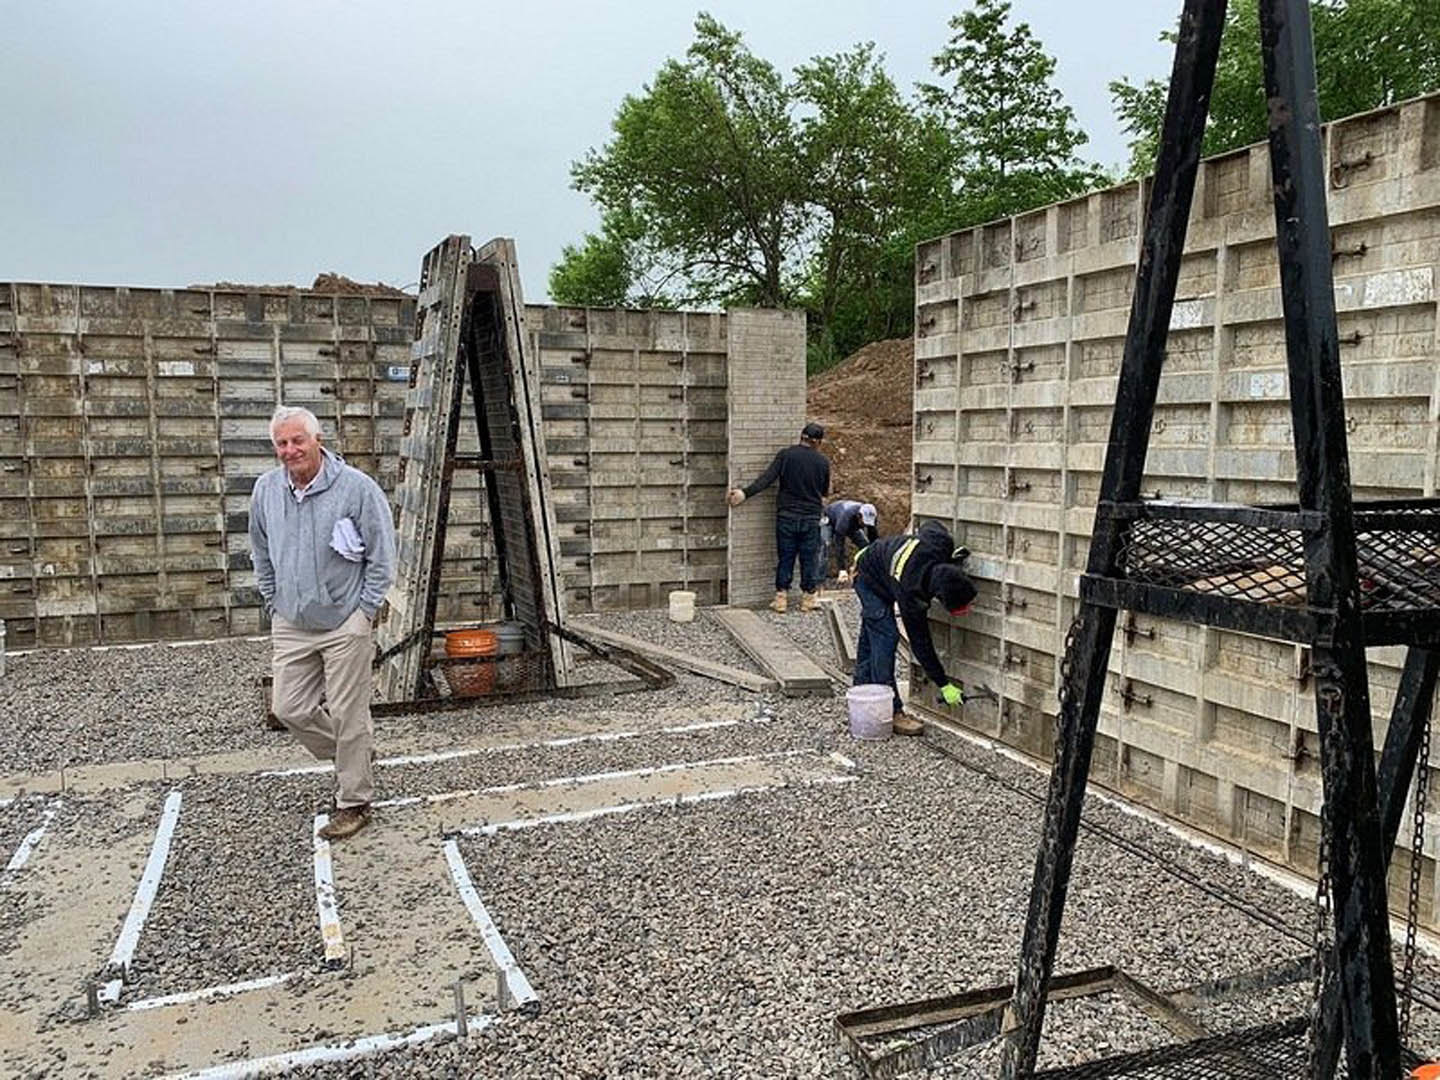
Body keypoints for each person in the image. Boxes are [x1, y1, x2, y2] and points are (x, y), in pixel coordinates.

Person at [249, 405, 396, 841]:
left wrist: (364, 611)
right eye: (282, 443)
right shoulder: (266, 490)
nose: (290, 450)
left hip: (344, 620)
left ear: (318, 441)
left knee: (350, 713)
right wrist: (273, 597)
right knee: (288, 708)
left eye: (298, 440)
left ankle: (354, 801)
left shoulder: (356, 490)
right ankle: (358, 759)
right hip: (292, 619)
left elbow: (382, 556)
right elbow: (259, 547)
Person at [852, 520, 976, 737]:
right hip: (867, 578)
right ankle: (891, 711)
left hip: (880, 563)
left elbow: (930, 524)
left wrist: (950, 558)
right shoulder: (911, 595)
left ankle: (861, 692)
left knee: (871, 631)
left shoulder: (939, 543)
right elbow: (921, 644)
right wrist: (943, 683)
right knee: (886, 636)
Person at [728, 421, 831, 613]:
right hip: (810, 518)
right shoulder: (823, 462)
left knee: (786, 557)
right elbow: (824, 493)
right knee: (809, 559)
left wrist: (744, 493)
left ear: (802, 437)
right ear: (818, 442)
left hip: (786, 517)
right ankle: (808, 599)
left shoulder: (786, 455)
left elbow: (767, 479)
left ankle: (781, 599)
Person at [822, 499, 878, 582]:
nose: (865, 525)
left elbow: (873, 539)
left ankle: (867, 571)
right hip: (830, 519)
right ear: (859, 516)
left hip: (851, 525)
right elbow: (839, 544)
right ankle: (819, 579)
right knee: (824, 546)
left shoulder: (870, 516)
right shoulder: (845, 519)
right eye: (864, 522)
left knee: (865, 546)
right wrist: (842, 569)